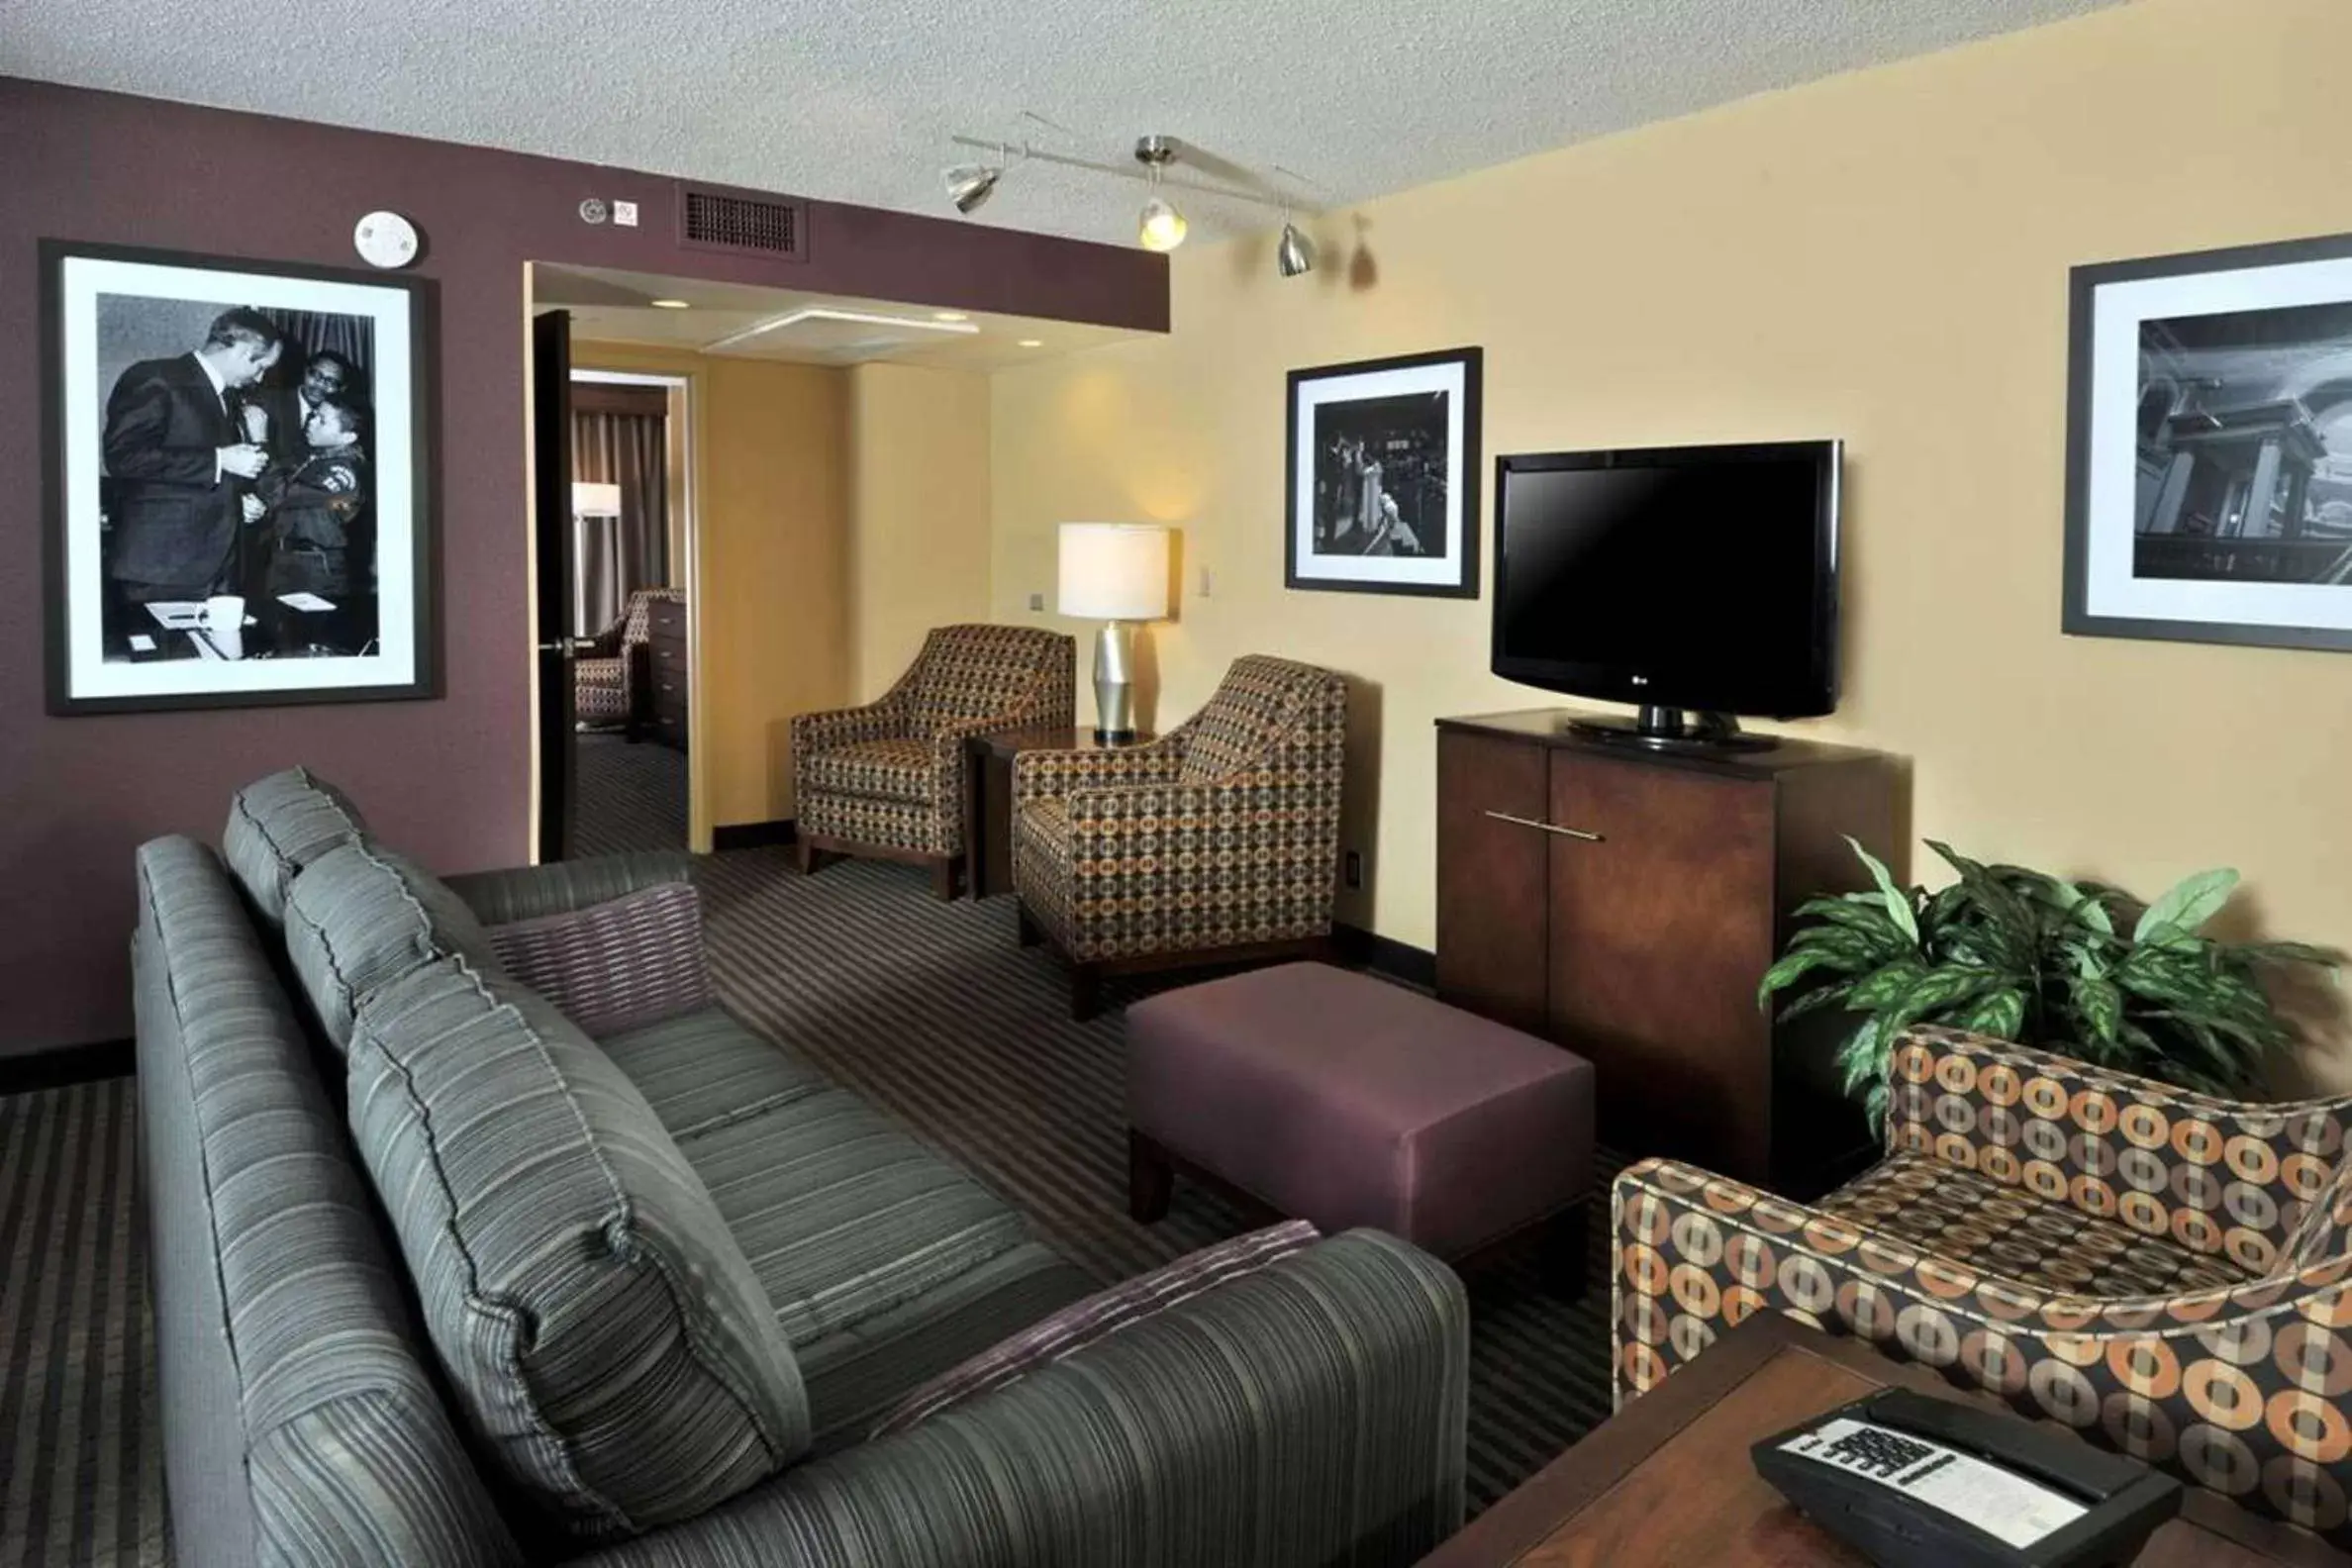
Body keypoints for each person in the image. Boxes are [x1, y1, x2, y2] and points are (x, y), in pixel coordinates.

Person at [100, 308, 283, 628]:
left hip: (217, 566)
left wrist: (235, 499)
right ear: (241, 352)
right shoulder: (156, 378)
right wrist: (220, 460)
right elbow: (123, 457)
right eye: (260, 366)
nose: (260, 378)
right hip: (163, 568)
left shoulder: (228, 397)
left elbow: (188, 475)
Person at [254, 396, 369, 650]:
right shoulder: (313, 459)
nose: (311, 421)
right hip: (287, 559)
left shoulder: (343, 471)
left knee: (312, 643)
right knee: (280, 641)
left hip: (315, 567)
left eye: (322, 420)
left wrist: (259, 441)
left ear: (347, 437)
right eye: (314, 414)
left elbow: (281, 493)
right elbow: (285, 501)